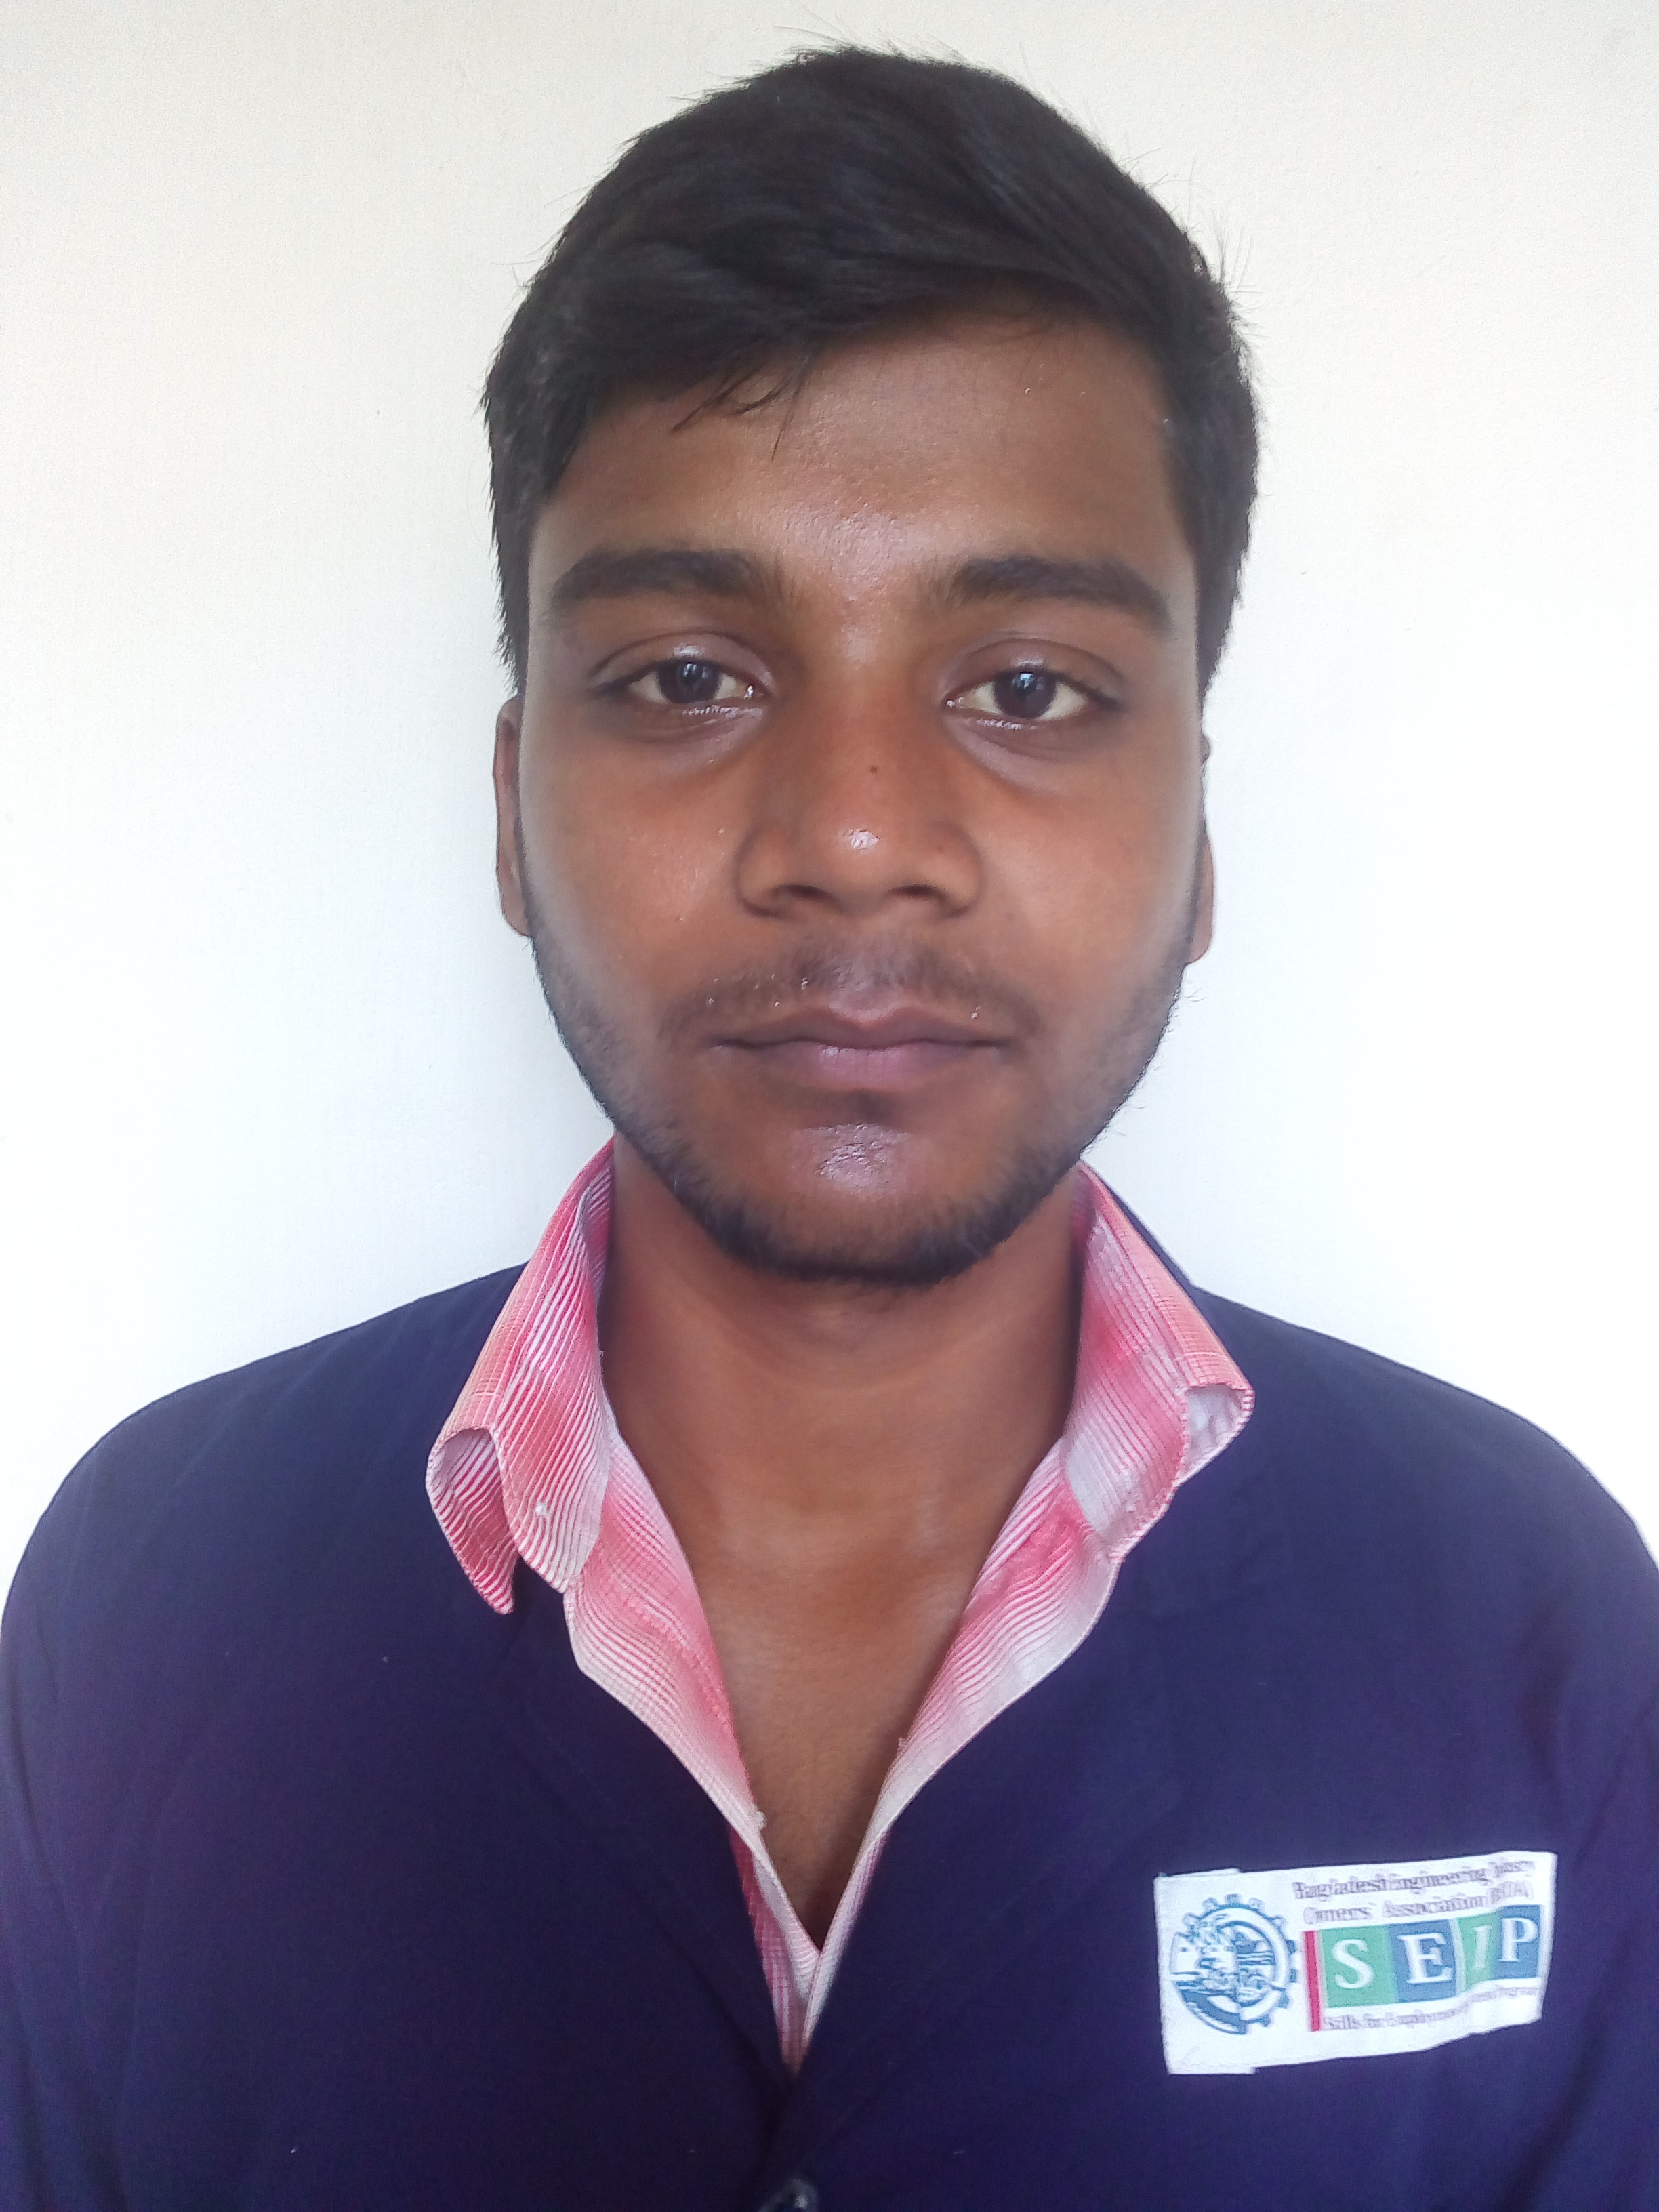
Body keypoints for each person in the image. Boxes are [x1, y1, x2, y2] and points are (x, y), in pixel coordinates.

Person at [2, 45, 1655, 2212]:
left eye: (1028, 688)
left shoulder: (1530, 1623)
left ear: (1199, 834)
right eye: (688, 677)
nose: (858, 837)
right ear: (510, 811)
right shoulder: (143, 1608)